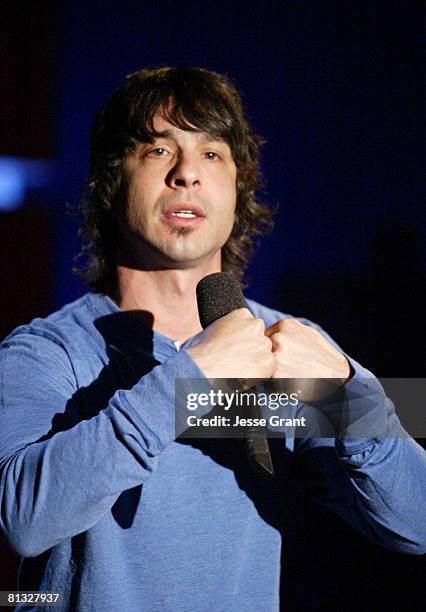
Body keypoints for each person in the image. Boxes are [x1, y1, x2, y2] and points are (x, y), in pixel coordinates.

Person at [0, 66, 424, 612]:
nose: (186, 174)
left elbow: (416, 525)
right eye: (157, 150)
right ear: (112, 180)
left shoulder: (288, 349)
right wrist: (189, 377)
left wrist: (351, 397)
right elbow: (24, 522)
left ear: (237, 188)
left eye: (211, 154)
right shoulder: (44, 352)